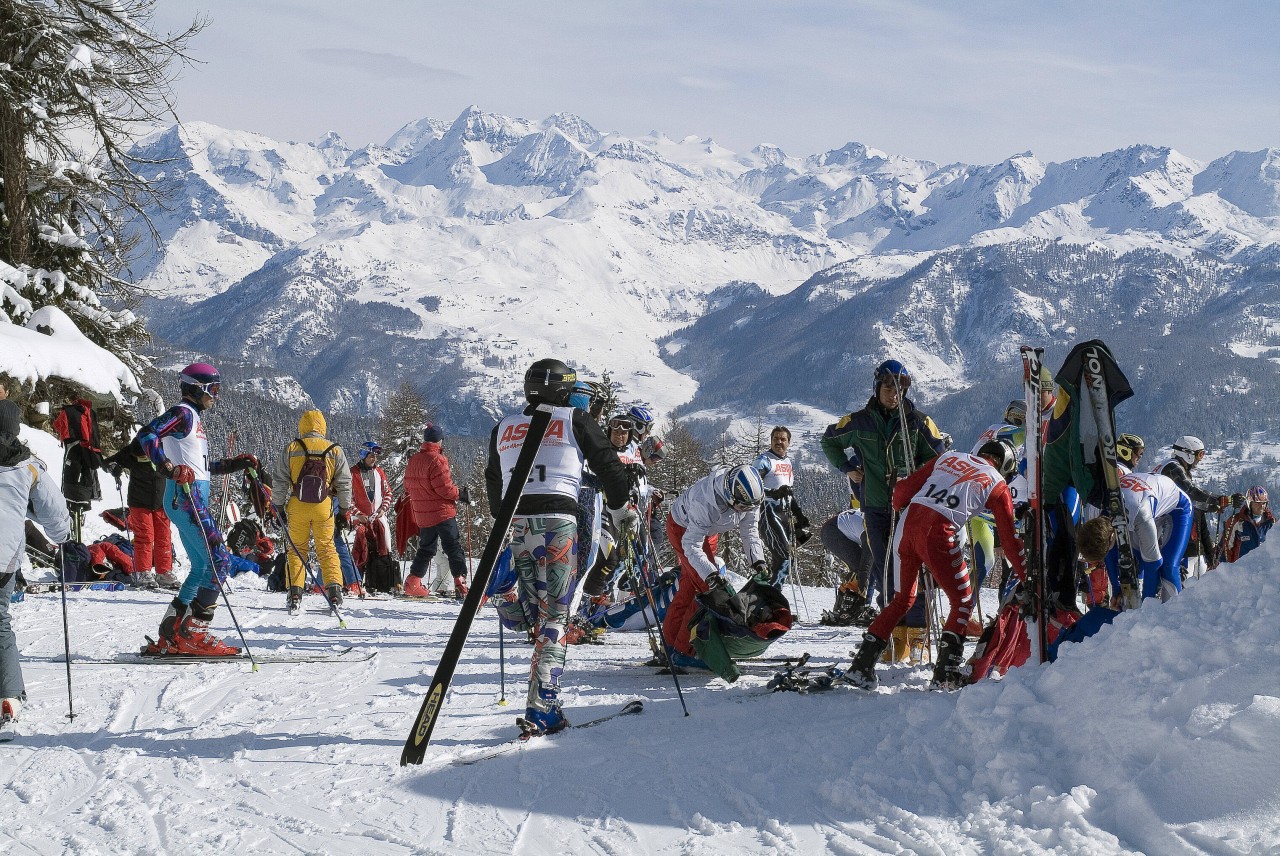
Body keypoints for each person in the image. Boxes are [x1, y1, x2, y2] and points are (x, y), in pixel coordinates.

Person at [485, 358, 631, 735]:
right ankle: (543, 707)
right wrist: (619, 509)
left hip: (517, 521)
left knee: (536, 618)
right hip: (558, 522)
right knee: (555, 618)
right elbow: (611, 469)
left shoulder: (503, 427)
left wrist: (504, 523)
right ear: (564, 390)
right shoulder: (574, 420)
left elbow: (493, 481)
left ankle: (505, 594)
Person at [846, 439, 1025, 690]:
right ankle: (944, 675)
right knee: (962, 601)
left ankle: (861, 666)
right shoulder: (997, 482)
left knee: (902, 600)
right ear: (1005, 465)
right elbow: (1009, 540)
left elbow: (901, 492)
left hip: (907, 525)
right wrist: (1026, 575)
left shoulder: (948, 457)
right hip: (939, 531)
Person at [135, 363, 258, 655]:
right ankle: (195, 635)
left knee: (203, 566)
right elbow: (147, 435)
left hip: (190, 495)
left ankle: (172, 633)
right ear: (196, 388)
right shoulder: (182, 413)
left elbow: (202, 468)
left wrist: (234, 464)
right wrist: (167, 467)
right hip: (186, 498)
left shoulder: (192, 419)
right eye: (213, 390)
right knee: (221, 560)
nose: (215, 396)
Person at [820, 359, 946, 620]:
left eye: (899, 390)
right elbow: (829, 441)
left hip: (911, 507)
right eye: (888, 389)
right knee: (884, 568)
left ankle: (917, 626)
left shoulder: (919, 423)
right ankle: (892, 629)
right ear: (877, 388)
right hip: (876, 507)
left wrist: (914, 476)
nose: (894, 395)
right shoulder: (859, 422)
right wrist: (847, 468)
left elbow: (939, 459)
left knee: (915, 566)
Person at [1, 399, 72, 738]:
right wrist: (62, 537)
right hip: (2, 561)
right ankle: (9, 696)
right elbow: (56, 515)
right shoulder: (28, 467)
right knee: (0, 625)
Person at [661, 464, 769, 667]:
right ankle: (685, 651)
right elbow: (691, 545)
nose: (747, 511)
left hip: (708, 531)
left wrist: (758, 561)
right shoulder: (706, 502)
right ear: (730, 497)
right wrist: (710, 574)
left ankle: (670, 645)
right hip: (684, 530)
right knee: (708, 592)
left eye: (751, 507)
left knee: (688, 588)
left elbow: (750, 531)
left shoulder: (749, 498)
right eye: (743, 507)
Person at [273, 408, 353, 611]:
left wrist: (278, 507)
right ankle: (334, 592)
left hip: (297, 504)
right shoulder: (334, 450)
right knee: (326, 548)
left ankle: (294, 594)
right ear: (322, 426)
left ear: (303, 426)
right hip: (323, 505)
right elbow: (344, 483)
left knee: (297, 548)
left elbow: (280, 480)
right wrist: (343, 511)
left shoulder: (292, 448)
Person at [1078, 469, 1192, 603]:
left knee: (1168, 566)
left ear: (1111, 537)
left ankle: (1175, 612)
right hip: (1143, 499)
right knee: (1138, 561)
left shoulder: (1140, 516)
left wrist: (1145, 610)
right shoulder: (1104, 518)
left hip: (1176, 509)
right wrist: (1116, 590)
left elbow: (1154, 564)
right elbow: (1110, 554)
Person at [1151, 436, 1234, 579]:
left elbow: (1190, 501)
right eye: (1199, 454)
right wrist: (1220, 499)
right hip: (1164, 529)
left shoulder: (1168, 466)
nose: (1199, 460)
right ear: (1188, 454)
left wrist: (1213, 506)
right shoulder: (1173, 468)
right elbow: (1191, 491)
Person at [404, 424, 470, 599]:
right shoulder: (438, 459)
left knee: (426, 548)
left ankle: (413, 582)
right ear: (440, 440)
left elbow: (407, 486)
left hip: (423, 513)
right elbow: (445, 489)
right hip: (442, 512)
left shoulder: (414, 459)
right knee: (453, 547)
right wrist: (460, 495)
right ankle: (460, 583)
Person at [103, 438, 179, 591]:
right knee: (145, 536)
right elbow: (107, 463)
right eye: (140, 458)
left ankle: (164, 573)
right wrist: (113, 468)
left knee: (163, 536)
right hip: (139, 502)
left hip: (161, 501)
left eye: (145, 457)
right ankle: (143, 573)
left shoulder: (164, 450)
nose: (142, 459)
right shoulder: (131, 452)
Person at [754, 425, 812, 587]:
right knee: (784, 555)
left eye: (783, 439)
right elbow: (752, 486)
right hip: (768, 513)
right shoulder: (764, 460)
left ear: (789, 442)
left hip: (784, 514)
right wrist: (771, 493)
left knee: (785, 557)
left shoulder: (786, 461)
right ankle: (771, 598)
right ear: (771, 441)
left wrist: (797, 515)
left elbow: (787, 489)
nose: (779, 442)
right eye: (775, 439)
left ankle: (767, 597)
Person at [350, 441, 394, 596]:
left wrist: (382, 510)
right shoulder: (353, 473)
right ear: (363, 456)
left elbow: (388, 493)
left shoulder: (379, 473)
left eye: (375, 456)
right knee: (360, 545)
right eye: (371, 455)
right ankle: (355, 581)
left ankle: (377, 582)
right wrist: (358, 514)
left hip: (377, 517)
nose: (374, 458)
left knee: (381, 546)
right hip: (358, 519)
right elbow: (347, 498)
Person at [818, 507, 870, 625]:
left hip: (836, 526)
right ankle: (853, 608)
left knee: (859, 568)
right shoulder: (872, 533)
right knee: (860, 567)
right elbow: (865, 568)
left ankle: (843, 606)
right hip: (833, 530)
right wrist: (863, 601)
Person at [1219, 486, 1274, 563]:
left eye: (1264, 503)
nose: (1262, 506)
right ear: (1249, 504)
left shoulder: (1270, 523)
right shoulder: (1236, 521)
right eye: (1257, 503)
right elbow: (1225, 549)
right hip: (1241, 571)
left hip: (1263, 570)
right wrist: (1223, 570)